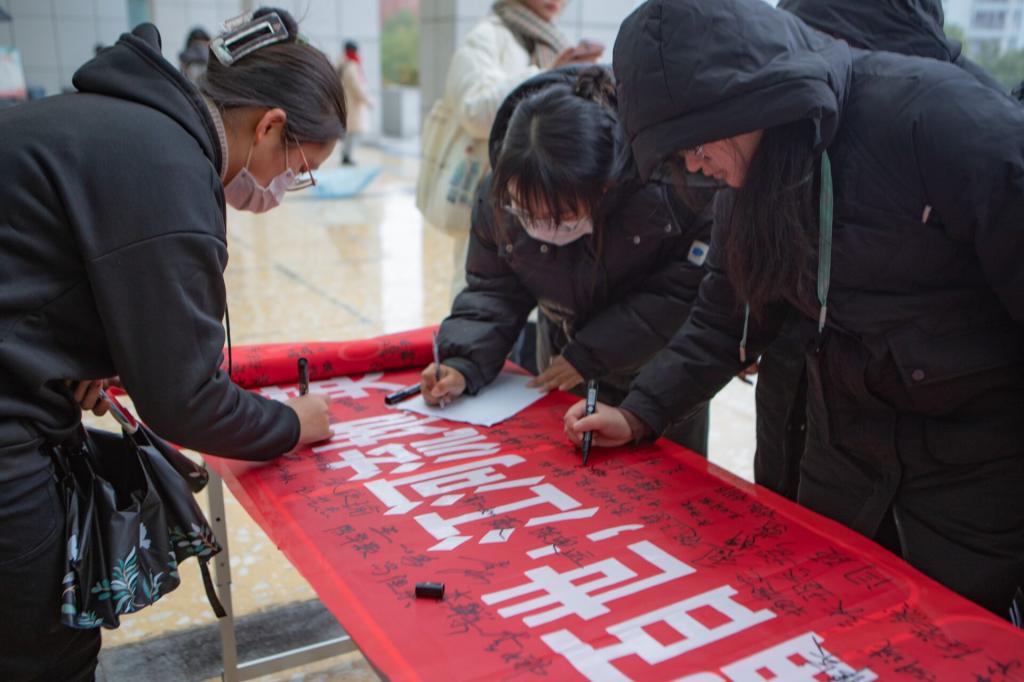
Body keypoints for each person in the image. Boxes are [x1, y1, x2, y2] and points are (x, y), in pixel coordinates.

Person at [567, 0, 1024, 620]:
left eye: (692, 144)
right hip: (841, 460)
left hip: (972, 473)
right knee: (828, 628)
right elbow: (723, 321)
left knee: (957, 639)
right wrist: (639, 411)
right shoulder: (744, 182)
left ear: (743, 101)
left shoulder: (939, 119)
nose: (694, 166)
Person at [0, 8, 342, 679]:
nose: (285, 187)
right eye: (299, 168)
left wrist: (72, 351)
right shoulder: (170, 170)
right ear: (269, 125)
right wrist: (292, 424)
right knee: (44, 653)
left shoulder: (122, 122)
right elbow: (185, 401)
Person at [750, 0, 1014, 501]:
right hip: (804, 372)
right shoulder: (796, 89)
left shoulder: (964, 115)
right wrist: (749, 325)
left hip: (940, 429)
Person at [421, 66, 712, 454]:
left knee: (663, 478)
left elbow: (681, 291)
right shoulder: (498, 198)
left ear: (604, 186)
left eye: (561, 215)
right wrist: (463, 362)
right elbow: (494, 289)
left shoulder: (667, 188)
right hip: (563, 357)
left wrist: (591, 353)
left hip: (658, 371)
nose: (542, 225)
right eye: (526, 209)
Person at [430, 0, 604, 299]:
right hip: (501, 198)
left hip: (547, 194)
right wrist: (548, 74)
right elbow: (474, 110)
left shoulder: (551, 37)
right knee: (486, 289)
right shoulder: (487, 36)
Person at [337, 40, 372, 165]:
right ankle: (347, 156)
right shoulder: (351, 66)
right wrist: (367, 101)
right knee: (352, 132)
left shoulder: (342, 64)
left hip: (347, 103)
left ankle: (346, 155)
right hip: (353, 104)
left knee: (349, 131)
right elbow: (356, 87)